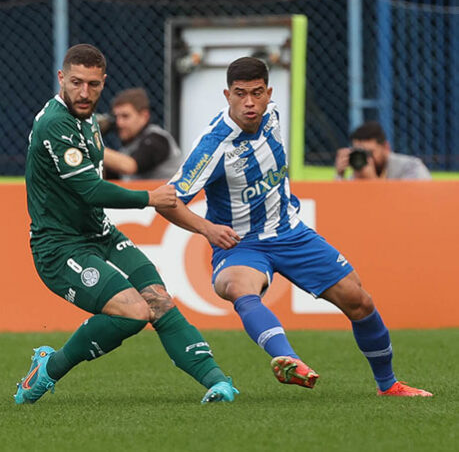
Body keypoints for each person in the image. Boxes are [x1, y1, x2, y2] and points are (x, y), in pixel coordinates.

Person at [157, 56, 432, 397]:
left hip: (290, 232)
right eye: (240, 94)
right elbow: (166, 199)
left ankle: (388, 385)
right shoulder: (213, 146)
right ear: (226, 95)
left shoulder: (271, 115)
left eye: (257, 93)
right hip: (243, 242)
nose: (249, 103)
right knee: (237, 287)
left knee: (359, 301)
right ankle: (286, 359)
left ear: (269, 93)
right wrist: (207, 229)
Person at [15, 43, 240, 406]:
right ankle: (47, 368)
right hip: (59, 248)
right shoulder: (56, 124)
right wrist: (149, 199)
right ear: (61, 78)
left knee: (158, 300)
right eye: (76, 82)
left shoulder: (86, 117)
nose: (84, 92)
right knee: (135, 311)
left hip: (100, 234)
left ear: (103, 82)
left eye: (93, 84)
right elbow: (88, 188)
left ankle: (218, 382)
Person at [101, 87, 182, 180]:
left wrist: (91, 146)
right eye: (116, 117)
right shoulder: (127, 148)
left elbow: (130, 166)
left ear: (144, 116)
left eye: (125, 116)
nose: (119, 123)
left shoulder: (157, 139)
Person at [334, 121, 430, 180]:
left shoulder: (410, 167)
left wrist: (372, 182)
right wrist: (339, 176)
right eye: (360, 153)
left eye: (369, 153)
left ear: (386, 147)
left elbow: (413, 204)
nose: (367, 159)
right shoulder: (358, 174)